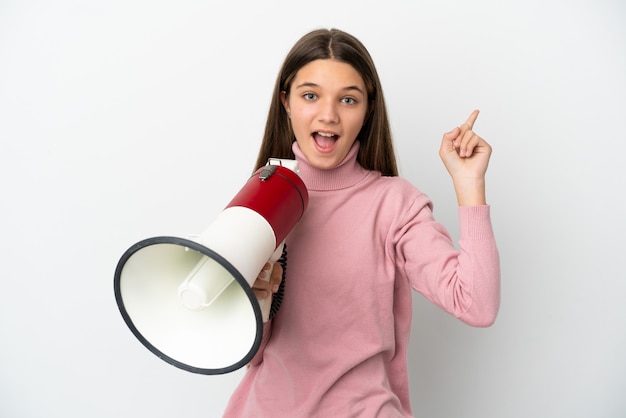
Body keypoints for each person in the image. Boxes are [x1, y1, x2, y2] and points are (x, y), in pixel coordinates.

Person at [223, 28, 500, 418]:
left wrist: (470, 185)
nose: (328, 114)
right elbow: (250, 355)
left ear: (368, 109)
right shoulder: (263, 195)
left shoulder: (395, 204)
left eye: (348, 99)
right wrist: (254, 301)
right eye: (310, 95)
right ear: (286, 102)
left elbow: (476, 305)